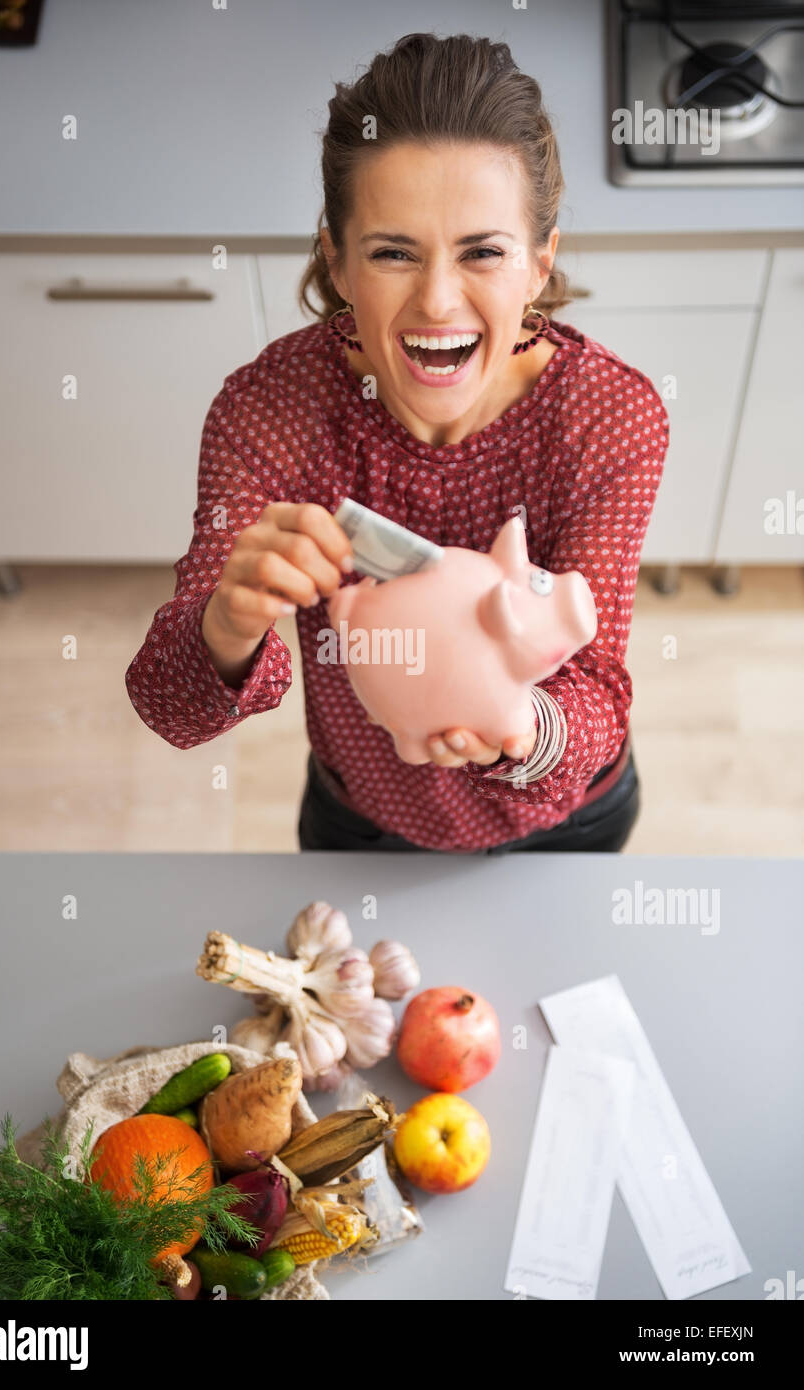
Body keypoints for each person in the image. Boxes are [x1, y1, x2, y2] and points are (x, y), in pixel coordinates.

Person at [126, 33, 669, 855]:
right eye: (392, 253)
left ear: (538, 263)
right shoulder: (274, 411)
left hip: (566, 818)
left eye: (483, 252)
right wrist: (230, 619)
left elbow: (594, 691)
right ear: (337, 262)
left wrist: (517, 725)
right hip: (360, 820)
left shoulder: (605, 416)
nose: (438, 301)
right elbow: (171, 711)